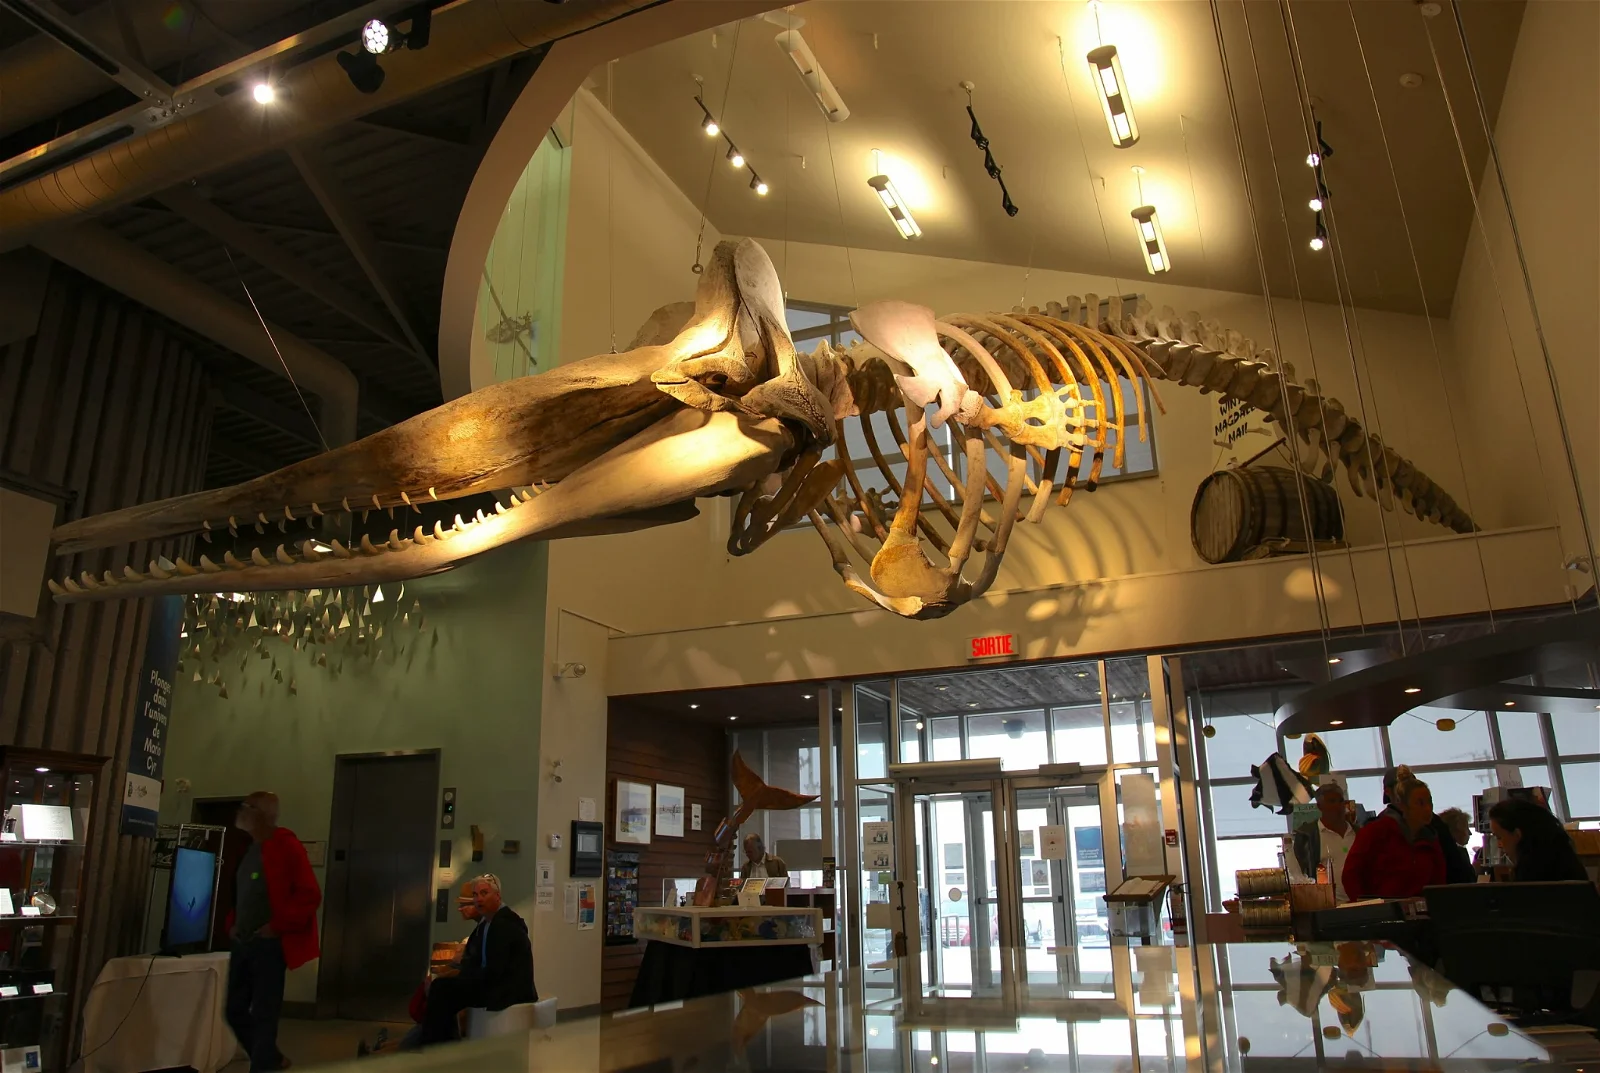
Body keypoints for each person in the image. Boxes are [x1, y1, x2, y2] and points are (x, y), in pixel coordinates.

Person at [225, 792, 321, 1073]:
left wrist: (276, 927)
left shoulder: (286, 846)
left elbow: (310, 894)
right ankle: (273, 1058)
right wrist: (233, 923)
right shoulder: (251, 849)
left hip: (268, 946)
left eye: (248, 807)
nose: (241, 811)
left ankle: (263, 1066)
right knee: (234, 1010)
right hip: (243, 943)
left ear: (263, 814)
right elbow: (243, 894)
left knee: (265, 1013)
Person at [418, 874, 535, 1044]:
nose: (479, 899)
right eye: (475, 895)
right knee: (442, 989)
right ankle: (439, 1044)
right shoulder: (489, 923)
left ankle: (435, 1047)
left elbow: (495, 969)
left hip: (507, 989)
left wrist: (464, 977)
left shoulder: (503, 924)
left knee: (442, 990)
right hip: (496, 982)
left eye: (484, 893)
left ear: (497, 896)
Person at [1342, 774, 1445, 900]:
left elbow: (1438, 882)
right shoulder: (1376, 831)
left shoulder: (1430, 838)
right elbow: (1351, 874)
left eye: (1430, 802)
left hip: (1420, 912)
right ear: (1402, 805)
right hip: (1381, 912)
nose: (1428, 809)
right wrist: (1368, 907)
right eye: (1420, 803)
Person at [1488, 798, 1588, 882]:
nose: (1499, 845)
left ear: (1517, 835)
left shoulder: (1529, 875)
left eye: (1499, 837)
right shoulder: (1566, 860)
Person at [1292, 783, 1358, 902]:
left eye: (1340, 800)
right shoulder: (1308, 837)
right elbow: (1302, 875)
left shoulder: (1358, 833)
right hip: (1329, 905)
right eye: (1332, 801)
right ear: (1319, 806)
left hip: (1363, 902)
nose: (1338, 805)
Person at [1434, 807, 1477, 884]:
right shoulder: (1457, 857)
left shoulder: (1438, 852)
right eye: (1467, 829)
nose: (1470, 833)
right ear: (1456, 831)